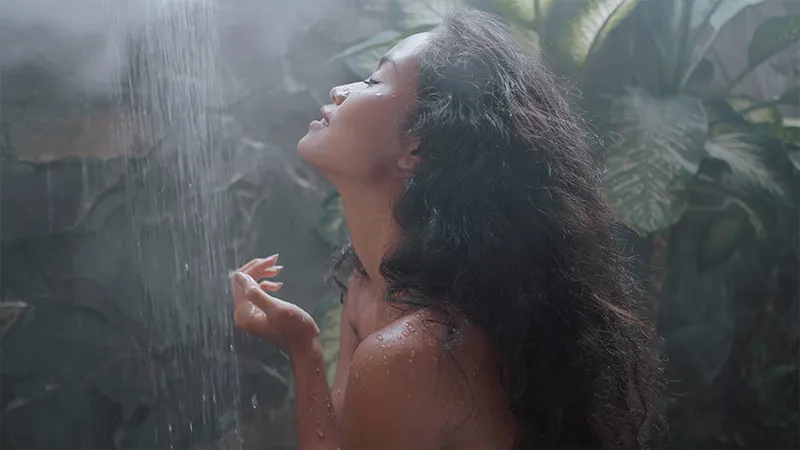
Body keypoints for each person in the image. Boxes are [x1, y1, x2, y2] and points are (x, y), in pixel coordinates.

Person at [229, 8, 662, 450]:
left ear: (416, 145)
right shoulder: (369, 288)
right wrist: (305, 348)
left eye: (375, 82)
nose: (340, 91)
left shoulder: (413, 353)